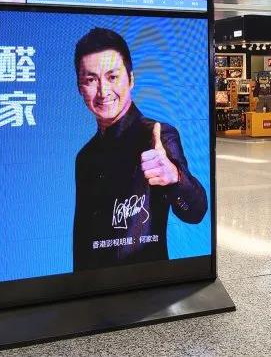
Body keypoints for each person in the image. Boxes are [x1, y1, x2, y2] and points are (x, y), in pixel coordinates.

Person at [72, 28, 208, 271]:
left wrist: (175, 177)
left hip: (147, 283)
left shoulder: (157, 135)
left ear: (131, 79)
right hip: (95, 288)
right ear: (79, 87)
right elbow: (82, 244)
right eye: (91, 80)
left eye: (112, 77)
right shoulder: (85, 157)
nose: (103, 91)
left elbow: (196, 211)